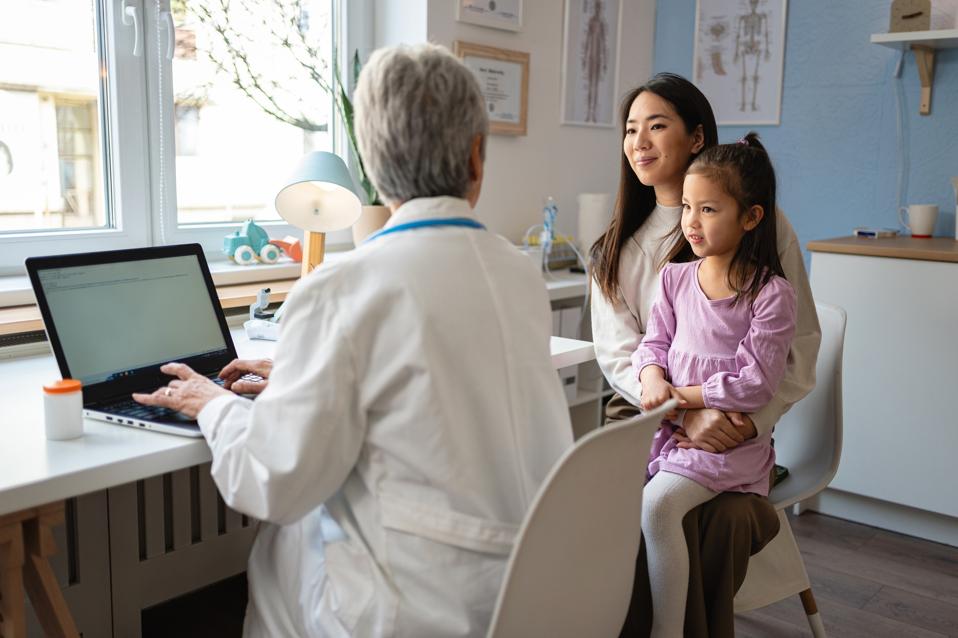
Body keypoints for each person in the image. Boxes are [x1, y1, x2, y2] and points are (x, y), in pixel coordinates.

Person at [135, 43, 574, 637]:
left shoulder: (340, 287)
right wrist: (304, 370)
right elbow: (431, 377)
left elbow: (273, 483)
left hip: (414, 611)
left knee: (283, 540)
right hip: (528, 590)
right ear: (477, 158)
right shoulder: (518, 272)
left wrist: (213, 404)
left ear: (370, 161)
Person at [589, 73, 820, 637]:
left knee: (723, 517)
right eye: (630, 130)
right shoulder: (618, 246)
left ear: (696, 137)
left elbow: (798, 348)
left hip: (738, 427)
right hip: (644, 415)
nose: (639, 141)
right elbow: (624, 356)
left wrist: (744, 424)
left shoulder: (759, 226)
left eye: (657, 126)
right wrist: (680, 410)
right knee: (608, 499)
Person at [634, 133, 796, 637]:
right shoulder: (673, 279)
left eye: (708, 209)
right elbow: (651, 345)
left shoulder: (771, 294)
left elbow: (754, 384)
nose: (691, 222)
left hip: (728, 449)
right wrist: (652, 377)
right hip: (671, 434)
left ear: (750, 217)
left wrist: (682, 398)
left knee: (658, 506)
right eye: (686, 207)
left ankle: (667, 631)